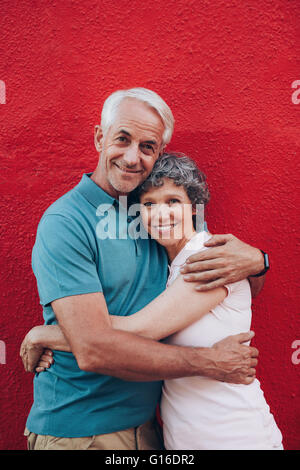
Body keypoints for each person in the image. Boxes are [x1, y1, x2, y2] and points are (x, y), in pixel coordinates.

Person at [20, 88, 268, 451]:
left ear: (158, 156)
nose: (132, 156)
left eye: (147, 147)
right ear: (99, 137)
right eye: (122, 139)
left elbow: (231, 287)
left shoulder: (155, 218)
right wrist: (210, 363)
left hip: (152, 429)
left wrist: (259, 262)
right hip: (82, 432)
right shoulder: (67, 221)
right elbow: (93, 348)